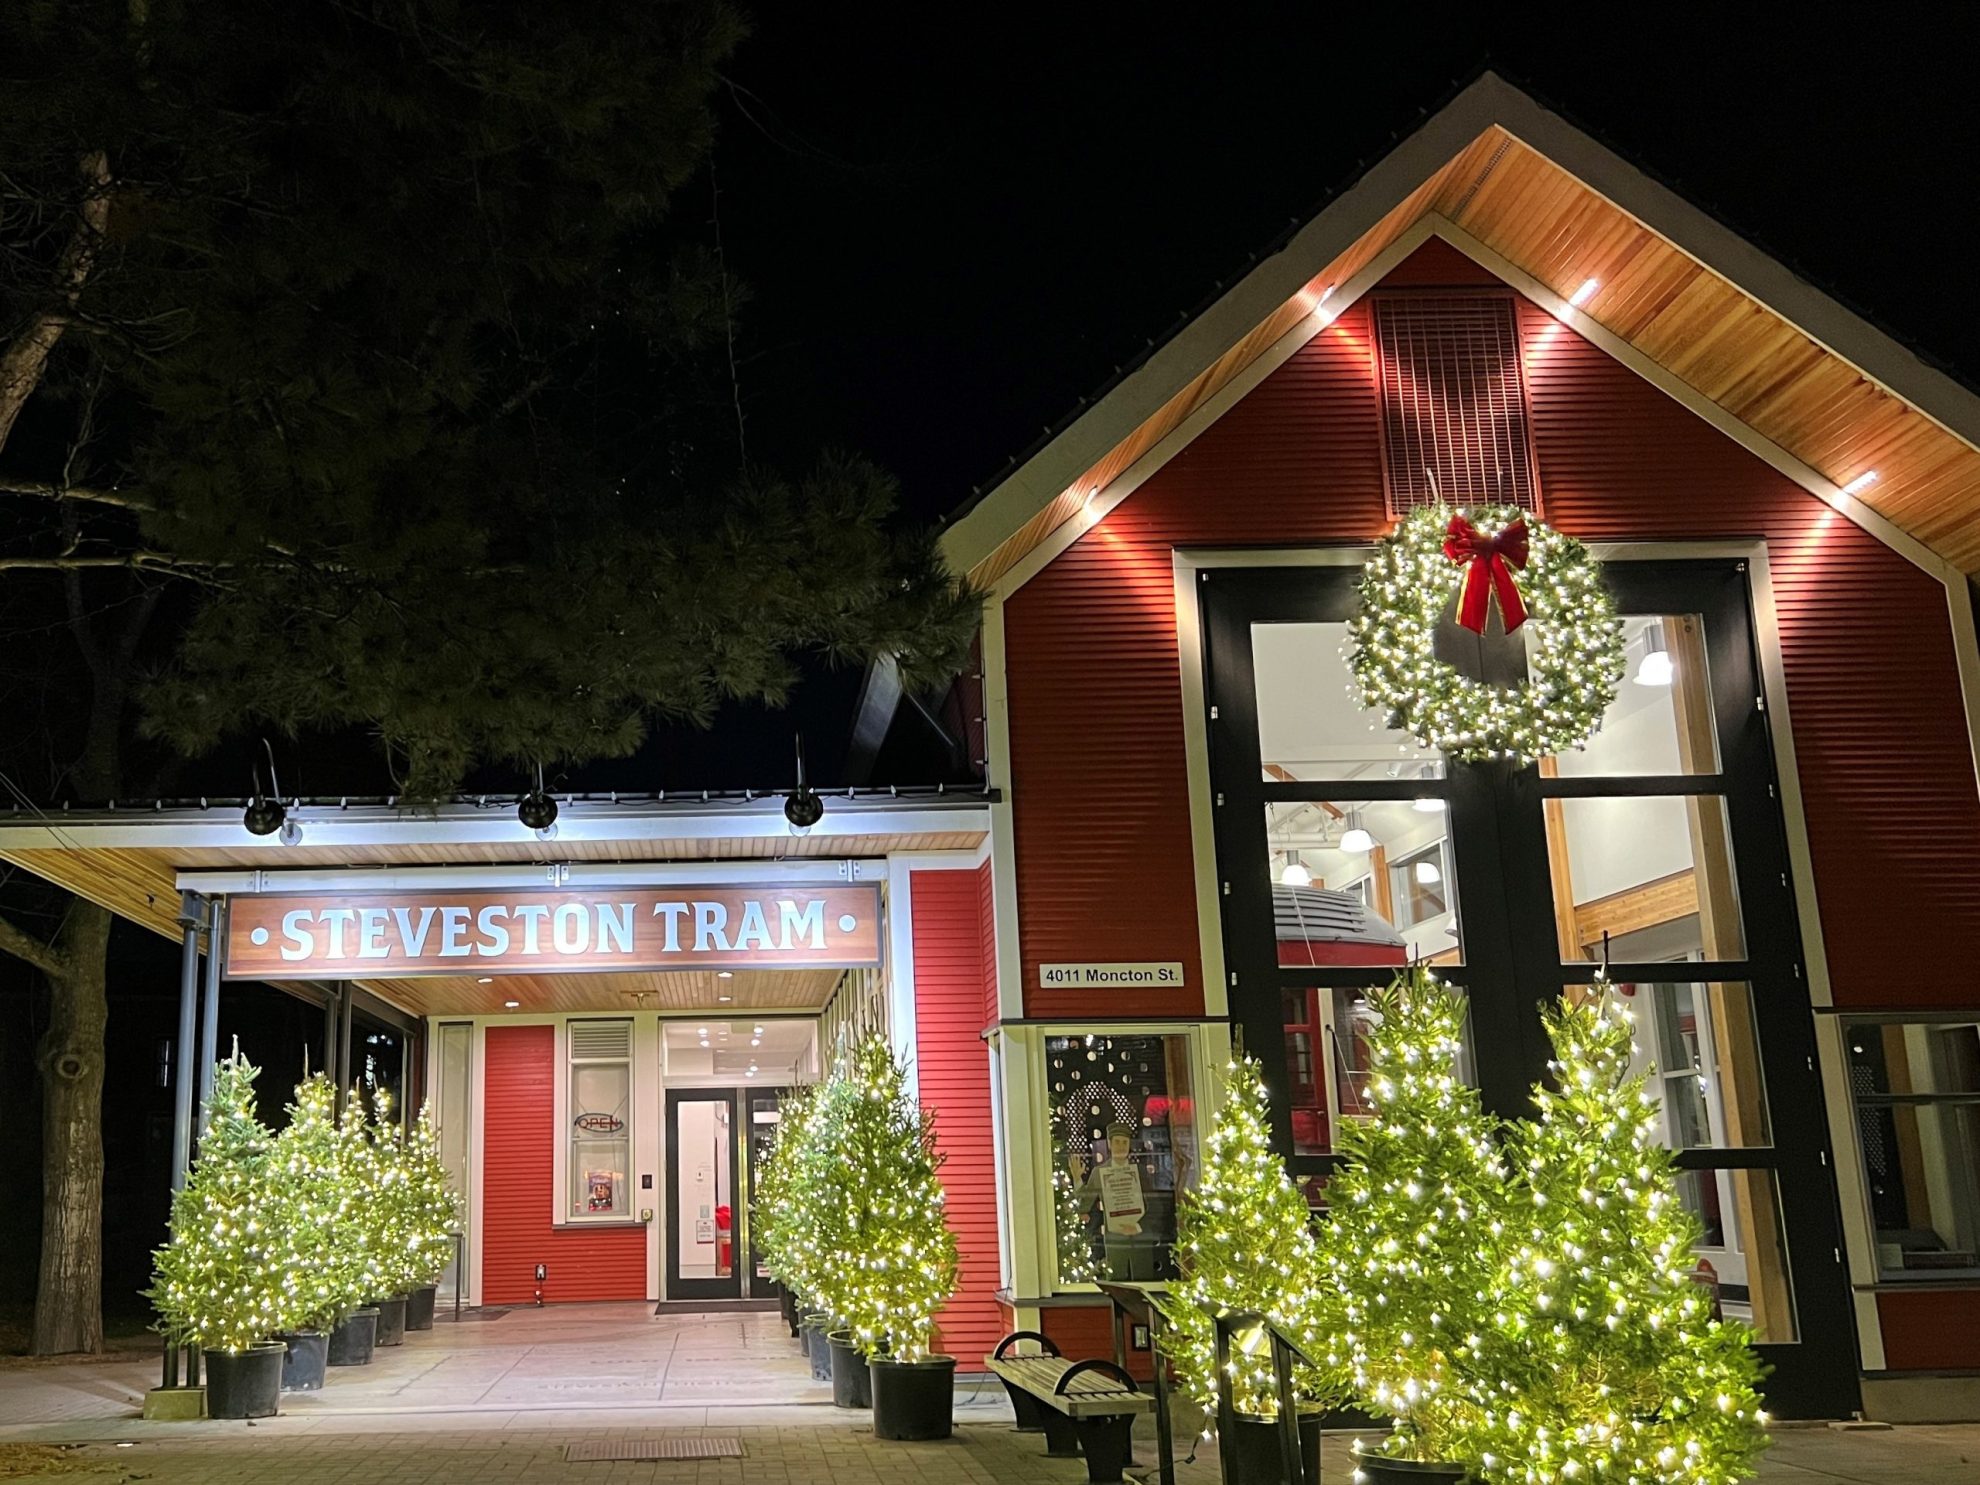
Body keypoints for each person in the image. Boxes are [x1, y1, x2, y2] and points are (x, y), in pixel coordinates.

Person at [1068, 1123, 1156, 1280]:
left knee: (1144, 1282)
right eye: (1117, 1142)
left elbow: (1155, 1204)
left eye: (1125, 1142)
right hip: (1115, 1239)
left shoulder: (1140, 1171)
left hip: (1141, 1238)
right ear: (1109, 1143)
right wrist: (1077, 1179)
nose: (1121, 1147)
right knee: (1117, 1282)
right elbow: (1084, 1204)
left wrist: (1138, 1226)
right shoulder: (1099, 1172)